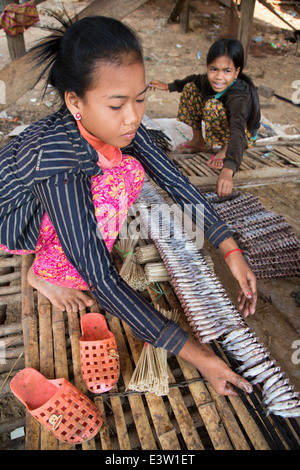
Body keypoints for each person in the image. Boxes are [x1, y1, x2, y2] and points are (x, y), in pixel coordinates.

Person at [0, 16, 257, 397]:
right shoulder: (57, 164)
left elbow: (173, 180)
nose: (134, 115)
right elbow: (101, 278)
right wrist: (200, 356)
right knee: (114, 184)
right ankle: (46, 273)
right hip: (12, 221)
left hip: (42, 201)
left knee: (130, 169)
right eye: (118, 104)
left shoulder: (107, 124)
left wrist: (229, 247)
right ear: (75, 101)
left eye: (140, 98)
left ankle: (56, 250)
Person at [149, 38, 261, 198]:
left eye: (226, 71)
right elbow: (192, 79)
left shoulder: (239, 95)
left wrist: (228, 169)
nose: (218, 77)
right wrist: (168, 86)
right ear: (207, 67)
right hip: (230, 129)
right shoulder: (208, 81)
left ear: (237, 72)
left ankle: (224, 149)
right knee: (190, 89)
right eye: (213, 69)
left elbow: (238, 130)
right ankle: (198, 141)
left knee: (212, 106)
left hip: (243, 136)